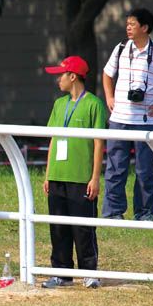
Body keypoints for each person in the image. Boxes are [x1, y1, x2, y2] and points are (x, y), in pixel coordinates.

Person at [101, 8, 153, 221]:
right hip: (119, 119)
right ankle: (113, 213)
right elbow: (106, 74)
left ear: (145, 27)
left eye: (132, 24)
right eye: (127, 24)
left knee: (145, 171)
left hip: (147, 121)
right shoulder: (121, 48)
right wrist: (109, 97)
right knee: (115, 168)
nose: (128, 28)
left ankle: (145, 213)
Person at [41, 56, 107, 289]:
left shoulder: (94, 104)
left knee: (83, 226)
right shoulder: (59, 104)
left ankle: (89, 272)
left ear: (73, 76)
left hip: (81, 177)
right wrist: (48, 174)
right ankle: (61, 272)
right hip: (58, 175)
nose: (57, 79)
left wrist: (95, 177)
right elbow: (53, 140)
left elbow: (99, 142)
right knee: (58, 226)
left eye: (60, 75)